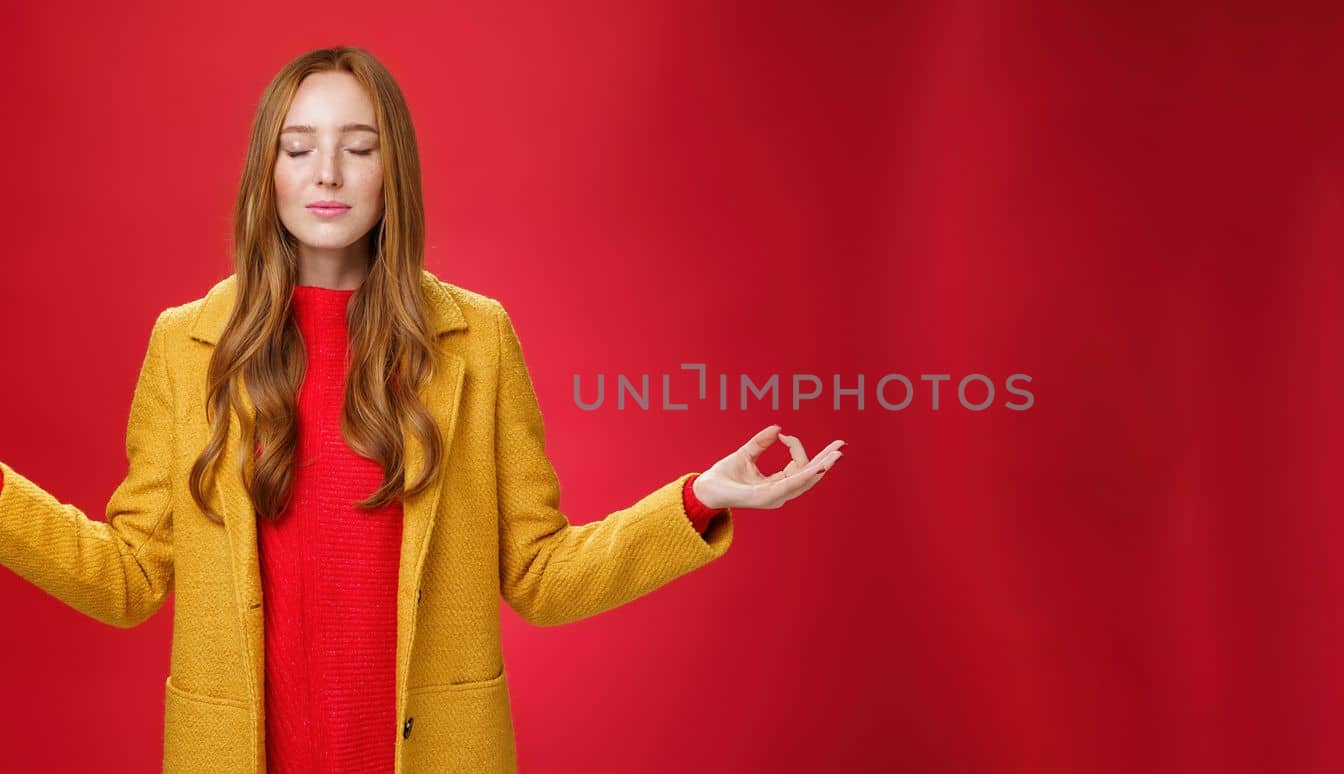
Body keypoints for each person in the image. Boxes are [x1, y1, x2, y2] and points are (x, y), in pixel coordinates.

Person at [0, 45, 845, 773]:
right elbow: (129, 577)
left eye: (356, 147)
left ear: (390, 168)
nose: (327, 172)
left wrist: (698, 500)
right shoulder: (188, 347)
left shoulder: (475, 340)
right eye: (299, 149)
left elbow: (541, 575)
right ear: (268, 171)